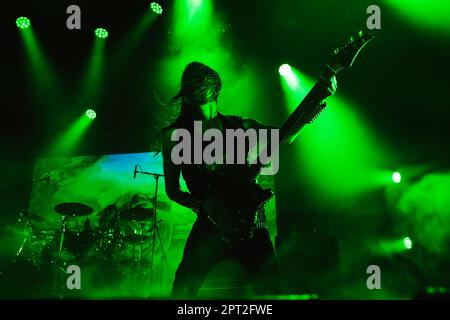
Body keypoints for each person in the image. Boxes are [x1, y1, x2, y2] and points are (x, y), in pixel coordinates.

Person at [161, 62, 336, 298]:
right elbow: (173, 190)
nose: (197, 87)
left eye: (202, 81)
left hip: (252, 223)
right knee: (182, 291)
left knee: (271, 292)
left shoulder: (240, 126)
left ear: (215, 87)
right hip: (209, 226)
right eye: (191, 83)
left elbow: (287, 135)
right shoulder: (175, 135)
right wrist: (205, 207)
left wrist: (317, 102)